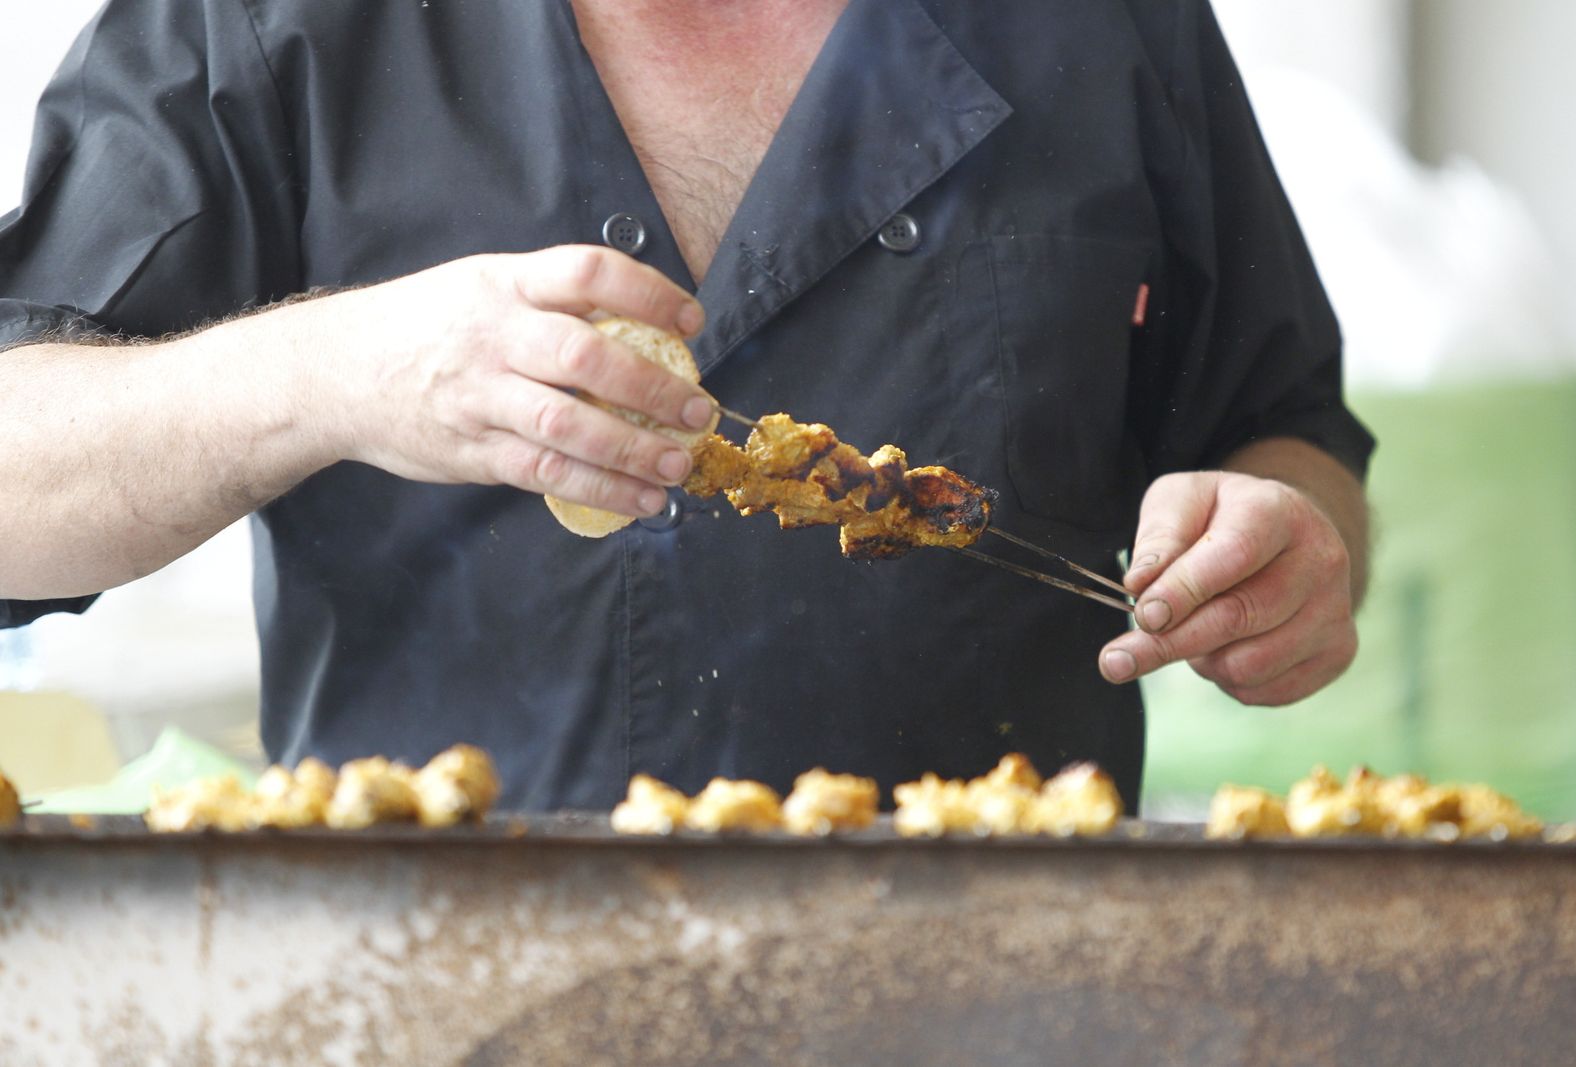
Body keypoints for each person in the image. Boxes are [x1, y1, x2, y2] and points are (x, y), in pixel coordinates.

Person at [0, 0, 1372, 811]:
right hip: (435, 983)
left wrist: (1289, 539)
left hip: (1001, 994)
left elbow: (1285, 428)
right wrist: (340, 371)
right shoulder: (266, 24)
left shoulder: (1107, 27)